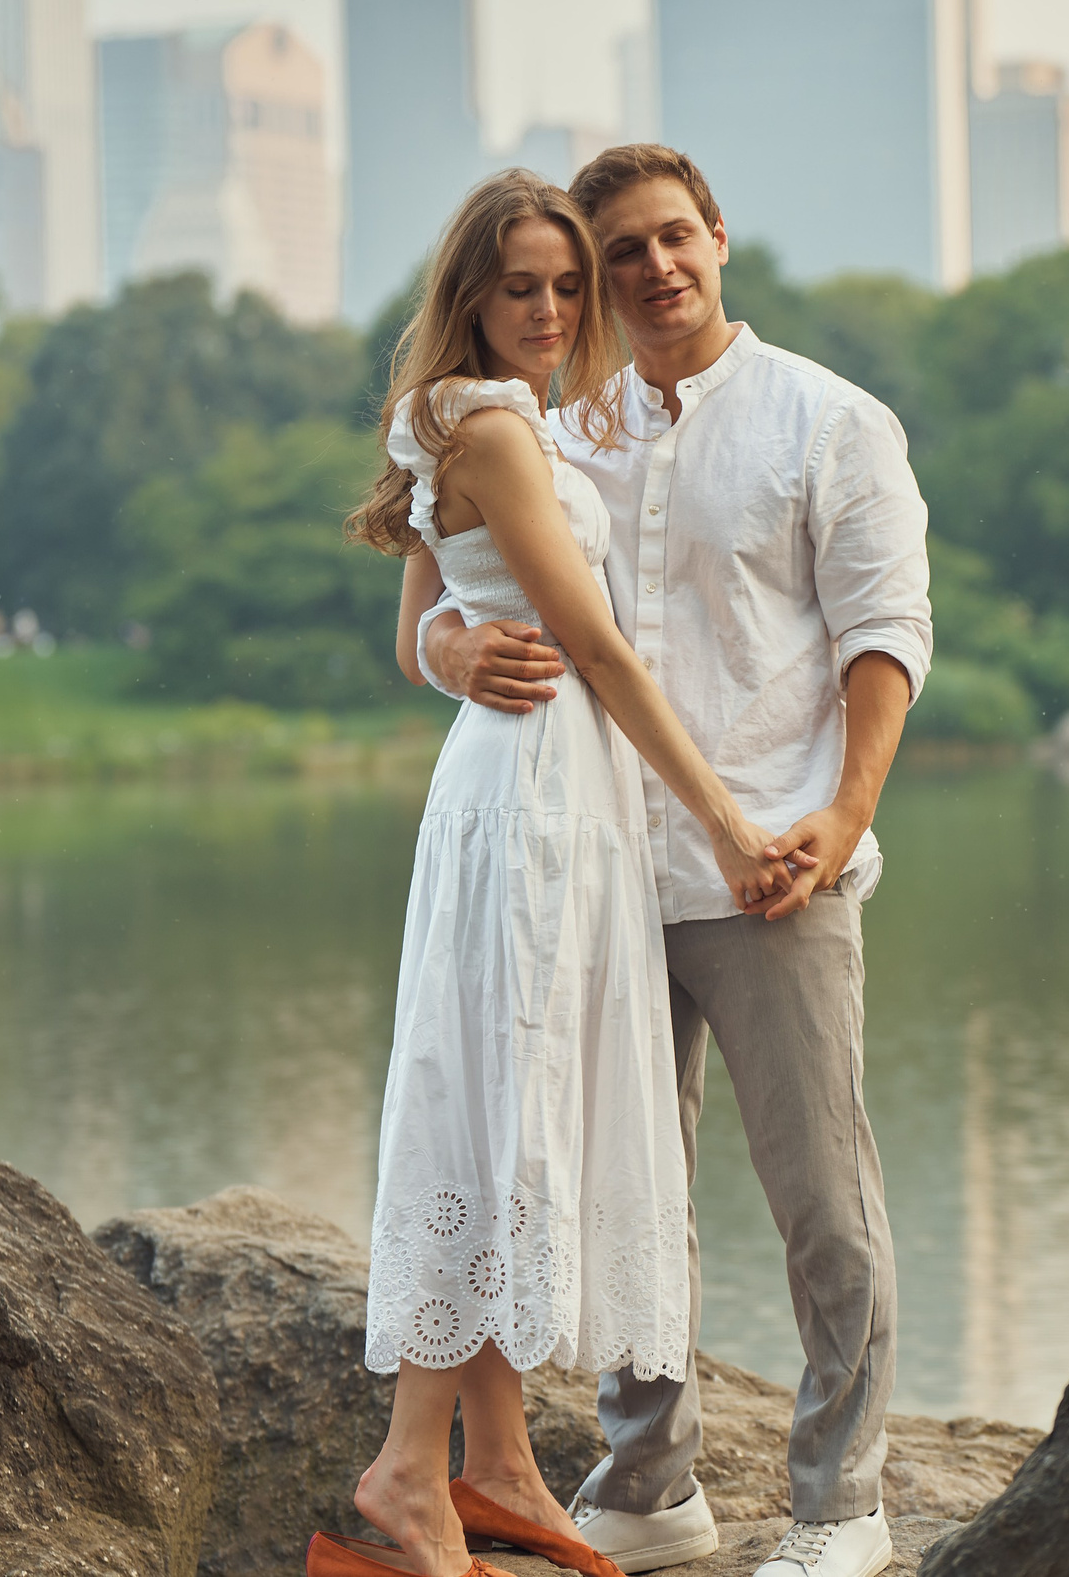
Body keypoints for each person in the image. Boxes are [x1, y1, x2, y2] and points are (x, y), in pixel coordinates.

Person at [419, 145, 931, 1577]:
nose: (648, 272)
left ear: (718, 237)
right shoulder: (552, 425)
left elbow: (887, 637)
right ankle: (648, 1484)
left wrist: (838, 818)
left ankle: (846, 1507)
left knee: (824, 1203)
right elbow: (444, 593)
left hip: (766, 866)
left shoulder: (828, 423)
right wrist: (452, 648)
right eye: (614, 255)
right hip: (590, 872)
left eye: (668, 240)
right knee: (626, 1191)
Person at [330, 169, 793, 1577]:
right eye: (519, 285)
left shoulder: (459, 422)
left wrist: (454, 650)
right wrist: (718, 814)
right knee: (503, 1102)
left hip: (518, 785)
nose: (549, 309)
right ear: (469, 294)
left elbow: (419, 630)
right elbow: (591, 644)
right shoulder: (494, 430)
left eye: (565, 285)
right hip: (533, 797)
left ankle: (510, 1468)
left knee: (496, 1088)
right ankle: (413, 1472)